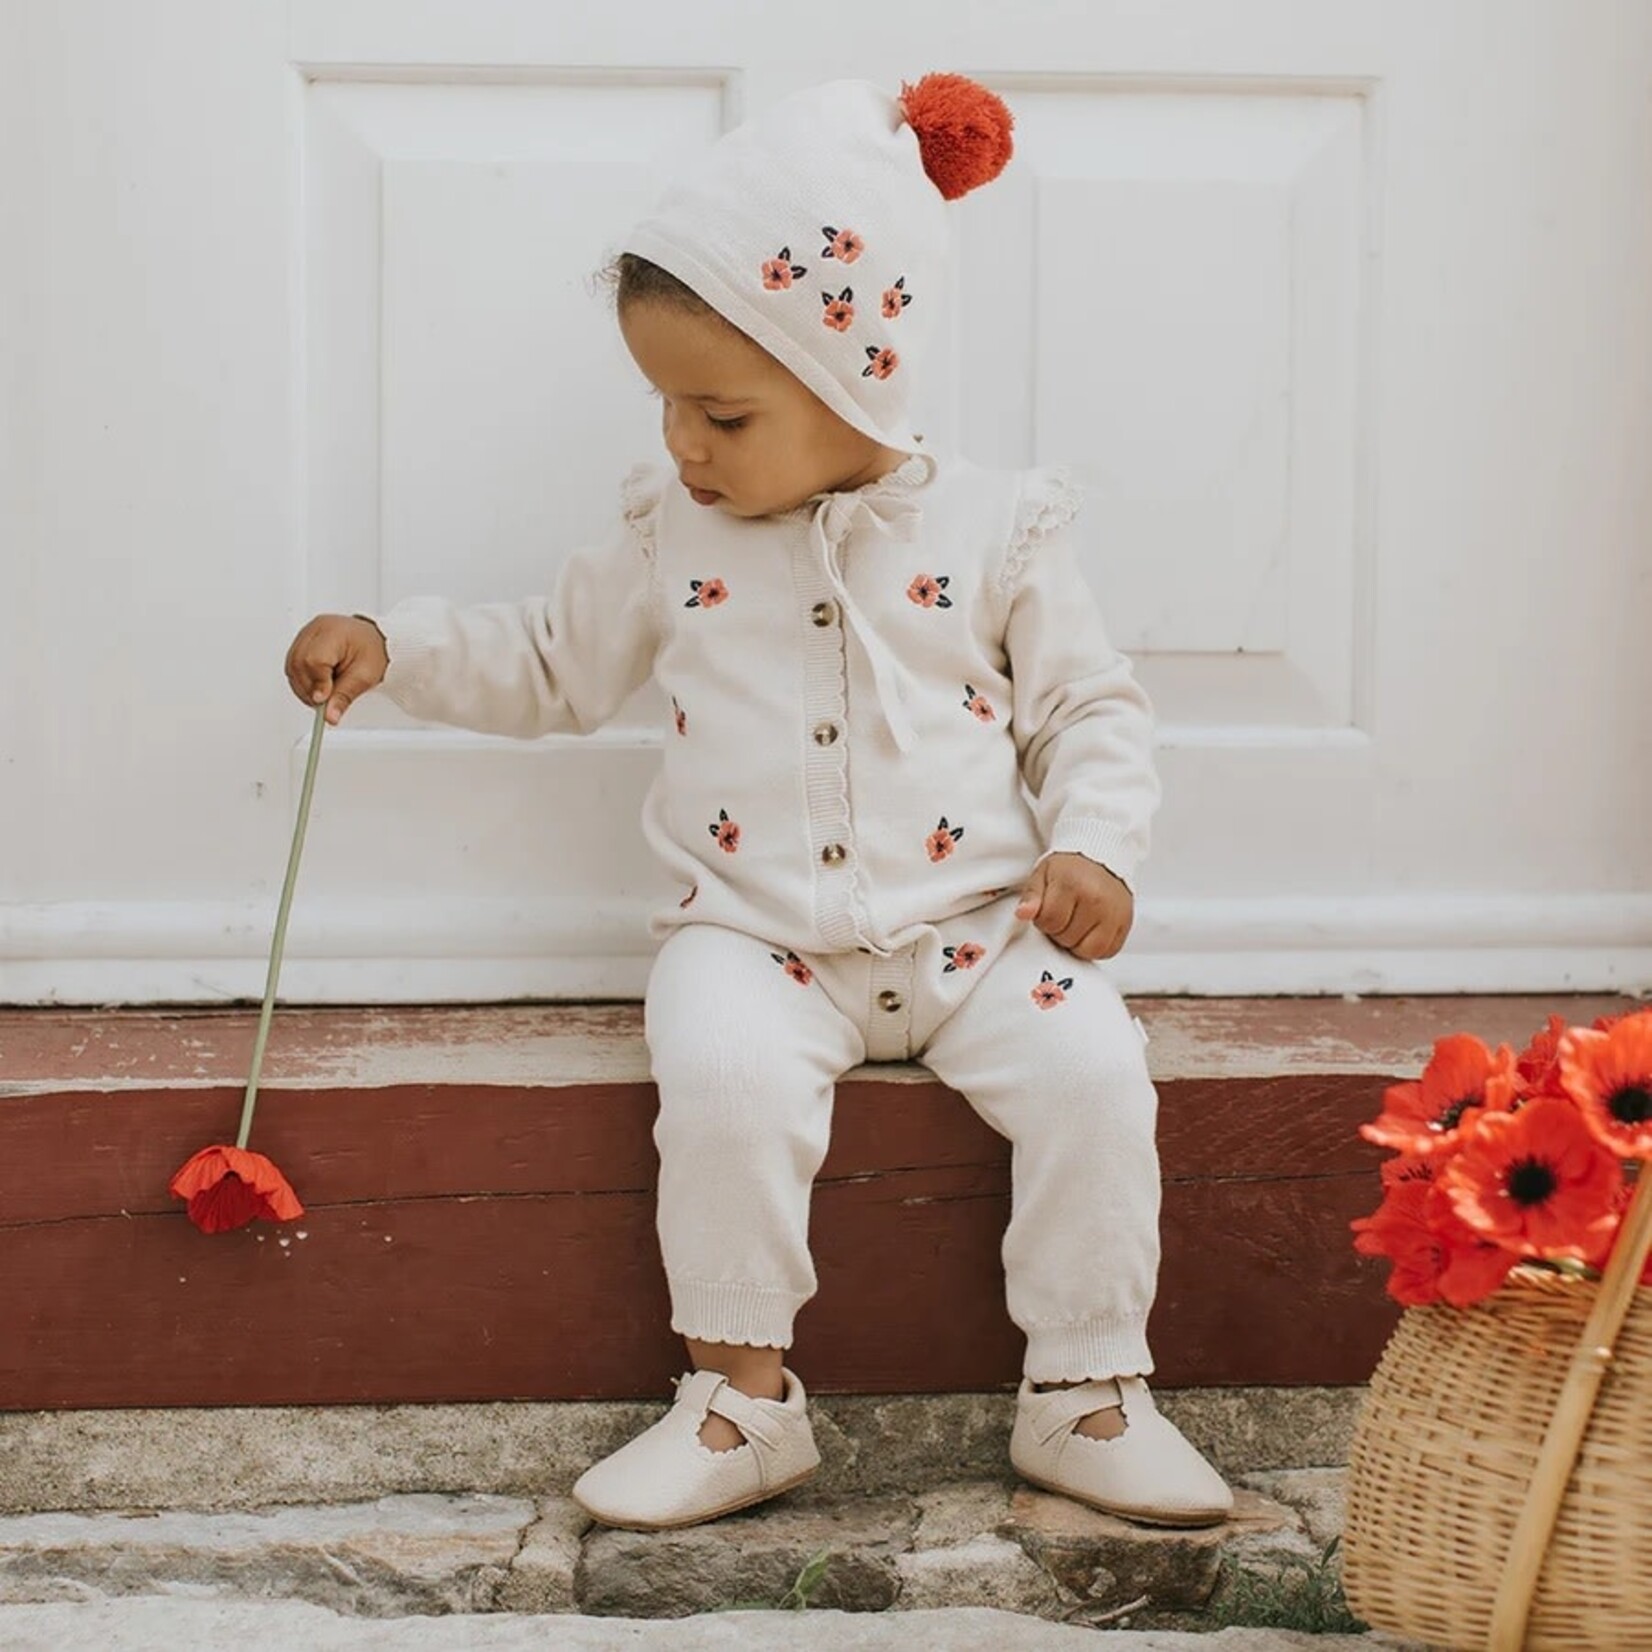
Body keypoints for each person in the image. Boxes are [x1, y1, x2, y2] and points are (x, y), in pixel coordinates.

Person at [283, 71, 1233, 1535]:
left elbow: (1087, 709)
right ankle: (740, 1397)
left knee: (1099, 1079)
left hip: (982, 928)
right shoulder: (670, 533)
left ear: (859, 379)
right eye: (666, 405)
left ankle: (1088, 1388)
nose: (682, 444)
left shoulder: (996, 530)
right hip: (758, 934)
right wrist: (398, 651)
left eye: (719, 412)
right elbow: (550, 660)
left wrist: (1097, 848)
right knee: (719, 1074)